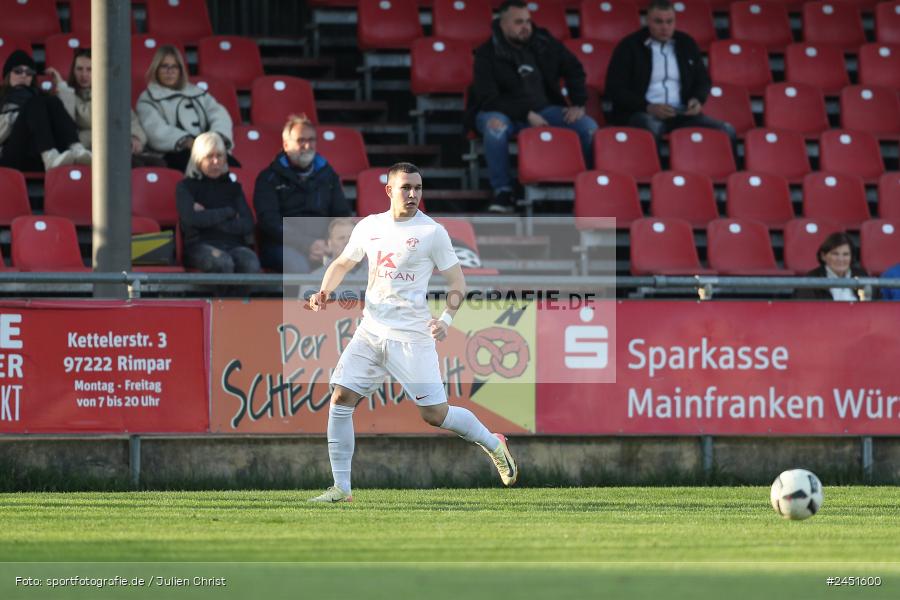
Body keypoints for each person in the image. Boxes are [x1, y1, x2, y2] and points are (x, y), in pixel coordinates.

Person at [307, 162, 517, 503]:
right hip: (371, 332)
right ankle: (341, 489)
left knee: (434, 415)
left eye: (418, 188)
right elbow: (344, 262)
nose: (413, 194)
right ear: (389, 190)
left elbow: (457, 284)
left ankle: (494, 443)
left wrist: (446, 320)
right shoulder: (369, 226)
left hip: (411, 338)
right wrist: (324, 291)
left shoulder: (432, 232)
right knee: (341, 399)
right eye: (406, 187)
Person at [466, 0, 597, 213]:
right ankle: (504, 191)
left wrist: (579, 103)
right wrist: (526, 114)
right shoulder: (486, 53)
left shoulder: (544, 41)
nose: (525, 26)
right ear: (502, 24)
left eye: (527, 21)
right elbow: (488, 97)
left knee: (587, 125)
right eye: (518, 22)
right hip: (501, 111)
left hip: (545, 110)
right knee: (494, 128)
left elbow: (574, 68)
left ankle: (590, 188)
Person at [605, 0, 736, 147]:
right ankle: (653, 170)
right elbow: (614, 88)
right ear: (647, 21)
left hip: (681, 114)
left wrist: (697, 99)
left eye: (669, 22)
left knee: (726, 130)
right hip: (641, 113)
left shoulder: (687, 43)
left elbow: (703, 80)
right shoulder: (629, 46)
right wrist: (648, 107)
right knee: (651, 127)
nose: (665, 27)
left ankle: (733, 170)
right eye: (658, 22)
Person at [254, 114, 352, 273]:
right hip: (282, 245)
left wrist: (331, 243)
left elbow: (341, 214)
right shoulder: (268, 178)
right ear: (286, 145)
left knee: (354, 262)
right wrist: (307, 244)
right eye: (301, 140)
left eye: (311, 140)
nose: (307, 145)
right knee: (299, 267)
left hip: (324, 244)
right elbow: (269, 221)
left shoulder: (328, 175)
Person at [48, 49, 164, 167]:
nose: (84, 75)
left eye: (90, 69)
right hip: (89, 152)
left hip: (119, 147)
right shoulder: (67, 94)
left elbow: (129, 119)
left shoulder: (112, 92)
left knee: (158, 165)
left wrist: (136, 137)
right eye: (79, 69)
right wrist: (100, 90)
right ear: (73, 70)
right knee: (134, 166)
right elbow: (87, 119)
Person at [136, 45, 236, 172]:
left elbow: (219, 115)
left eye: (174, 67)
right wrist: (187, 142)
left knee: (233, 167)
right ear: (156, 69)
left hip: (208, 148)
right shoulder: (148, 98)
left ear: (180, 70)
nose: (170, 71)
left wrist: (214, 139)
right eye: (164, 66)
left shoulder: (196, 92)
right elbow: (155, 130)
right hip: (173, 153)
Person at [175, 131, 260, 281]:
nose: (215, 162)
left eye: (219, 156)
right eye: (209, 156)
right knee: (222, 263)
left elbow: (248, 223)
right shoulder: (185, 187)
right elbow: (190, 220)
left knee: (250, 263)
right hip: (199, 246)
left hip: (234, 245)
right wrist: (229, 213)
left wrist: (207, 217)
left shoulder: (234, 188)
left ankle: (236, 304)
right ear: (198, 159)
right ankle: (223, 304)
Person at [0, 50, 90, 171]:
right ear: (8, 74)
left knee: (51, 100)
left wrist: (61, 84)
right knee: (34, 103)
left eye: (29, 72)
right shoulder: (2, 97)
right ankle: (50, 156)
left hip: (39, 157)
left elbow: (68, 118)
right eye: (18, 71)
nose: (23, 75)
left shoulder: (42, 98)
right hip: (13, 156)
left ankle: (77, 148)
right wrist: (19, 116)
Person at [794, 232, 873, 301]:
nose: (840, 259)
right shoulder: (810, 280)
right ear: (823, 256)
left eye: (846, 254)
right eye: (835, 254)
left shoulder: (863, 276)